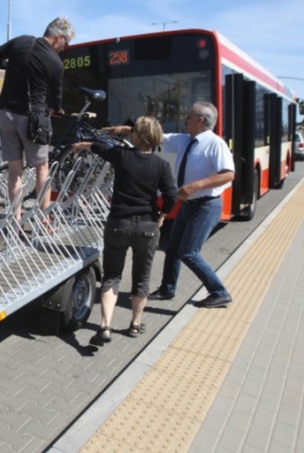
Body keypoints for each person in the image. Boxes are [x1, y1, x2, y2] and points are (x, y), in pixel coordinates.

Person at [70, 116, 177, 345]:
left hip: (118, 223)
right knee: (142, 279)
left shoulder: (122, 156)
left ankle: (105, 326)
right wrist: (162, 215)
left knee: (112, 276)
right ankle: (135, 324)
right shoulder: (162, 164)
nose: (131, 134)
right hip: (147, 227)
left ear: (138, 136)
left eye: (134, 132)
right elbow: (171, 195)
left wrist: (81, 145)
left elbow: (99, 147)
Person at [138, 101, 235, 308]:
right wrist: (124, 130)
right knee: (172, 249)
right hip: (188, 205)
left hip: (206, 206)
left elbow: (228, 174)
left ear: (200, 120)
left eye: (189, 117)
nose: (185, 119)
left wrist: (195, 186)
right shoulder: (183, 140)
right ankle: (167, 289)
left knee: (188, 252)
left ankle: (219, 292)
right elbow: (156, 136)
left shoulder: (215, 143)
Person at [0, 17, 73, 224]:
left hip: (6, 114)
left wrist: (12, 65)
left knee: (15, 170)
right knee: (42, 168)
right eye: (66, 43)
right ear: (59, 36)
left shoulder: (21, 41)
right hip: (32, 119)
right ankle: (44, 219)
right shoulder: (55, 63)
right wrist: (56, 110)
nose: (65, 48)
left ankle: (15, 221)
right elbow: (57, 100)